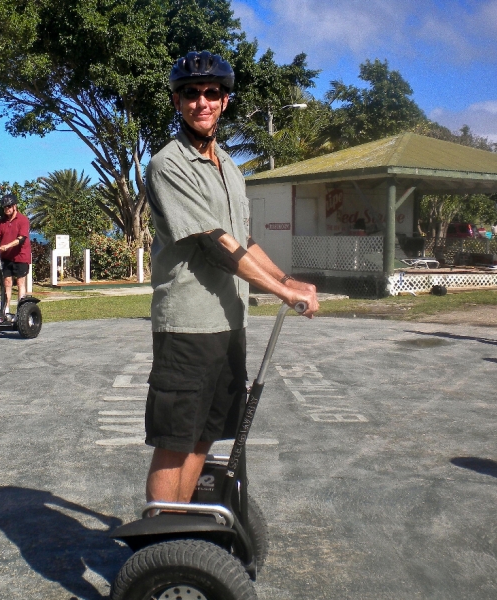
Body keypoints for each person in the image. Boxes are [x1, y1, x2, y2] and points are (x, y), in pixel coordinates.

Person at [143, 51, 319, 504]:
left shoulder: (231, 168)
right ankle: (162, 542)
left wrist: (288, 280)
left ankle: (179, 527)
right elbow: (214, 243)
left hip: (230, 323)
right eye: (190, 93)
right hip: (187, 325)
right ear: (177, 102)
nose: (201, 101)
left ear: (225, 100)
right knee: (175, 442)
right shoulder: (169, 164)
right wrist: (280, 290)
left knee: (205, 436)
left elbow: (244, 239)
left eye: (211, 92)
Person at [0, 194, 31, 321]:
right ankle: (6, 311)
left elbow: (21, 238)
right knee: (7, 283)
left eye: (9, 206)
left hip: (21, 256)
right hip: (6, 257)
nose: (7, 209)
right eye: (5, 207)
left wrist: (8, 245)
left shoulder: (23, 220)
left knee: (20, 282)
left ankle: (21, 311)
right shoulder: (2, 222)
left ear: (14, 206)